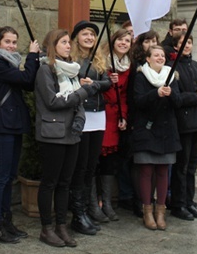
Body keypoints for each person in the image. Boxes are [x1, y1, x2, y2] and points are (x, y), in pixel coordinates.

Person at [0, 26, 40, 243]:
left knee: (9, 176)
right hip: (3, 124)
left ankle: (6, 221)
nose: (12, 46)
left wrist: (34, 60)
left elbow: (29, 83)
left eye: (14, 42)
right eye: (8, 42)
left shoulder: (8, 62)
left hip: (14, 123)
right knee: (1, 176)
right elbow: (25, 79)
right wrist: (32, 56)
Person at [34, 29, 96, 248]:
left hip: (72, 134)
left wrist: (80, 119)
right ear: (53, 46)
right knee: (50, 182)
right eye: (63, 42)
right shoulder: (45, 70)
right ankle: (46, 228)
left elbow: (77, 103)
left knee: (65, 183)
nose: (68, 46)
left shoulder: (71, 70)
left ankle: (62, 226)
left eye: (69, 42)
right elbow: (52, 101)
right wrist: (83, 92)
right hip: (52, 134)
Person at [68, 20, 115, 235]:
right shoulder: (71, 58)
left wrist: (93, 85)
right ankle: (77, 212)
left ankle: (87, 209)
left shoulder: (99, 59)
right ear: (77, 37)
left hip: (98, 114)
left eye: (92, 35)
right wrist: (85, 85)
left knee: (91, 165)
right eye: (85, 34)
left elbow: (107, 82)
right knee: (81, 165)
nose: (89, 38)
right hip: (80, 114)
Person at [131, 45, 181, 230]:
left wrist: (170, 94)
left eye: (162, 55)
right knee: (146, 171)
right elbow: (138, 101)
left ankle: (161, 212)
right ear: (148, 59)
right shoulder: (140, 76)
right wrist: (156, 93)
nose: (160, 58)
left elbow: (178, 101)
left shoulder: (172, 76)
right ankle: (147, 211)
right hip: (147, 129)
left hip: (167, 130)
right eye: (156, 55)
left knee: (162, 171)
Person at [168, 32, 197, 221]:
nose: (187, 45)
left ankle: (189, 201)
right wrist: (196, 95)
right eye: (182, 42)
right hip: (184, 123)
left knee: (192, 166)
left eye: (190, 42)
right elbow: (176, 98)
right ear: (176, 46)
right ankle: (178, 204)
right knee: (182, 166)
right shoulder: (171, 68)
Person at [97, 28, 132, 221]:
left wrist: (124, 116)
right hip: (100, 114)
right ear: (113, 41)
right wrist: (108, 82)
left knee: (110, 162)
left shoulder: (128, 66)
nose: (124, 43)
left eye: (127, 41)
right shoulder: (102, 61)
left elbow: (125, 95)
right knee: (95, 159)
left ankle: (107, 202)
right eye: (120, 39)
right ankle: (94, 202)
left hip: (115, 118)